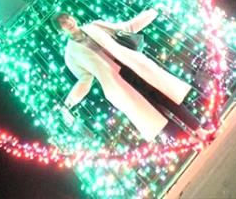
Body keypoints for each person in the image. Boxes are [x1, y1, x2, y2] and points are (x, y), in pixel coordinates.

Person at [55, 9, 213, 143]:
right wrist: (69, 102)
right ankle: (190, 141)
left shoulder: (95, 26)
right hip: (118, 84)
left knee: (167, 97)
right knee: (154, 115)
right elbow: (85, 80)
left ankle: (200, 131)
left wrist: (153, 12)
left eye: (67, 18)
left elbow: (127, 27)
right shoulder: (71, 54)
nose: (68, 22)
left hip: (134, 67)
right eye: (63, 23)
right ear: (60, 31)